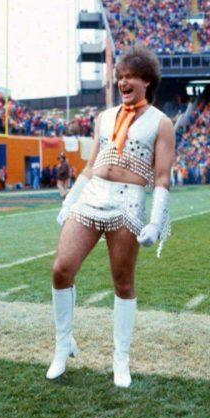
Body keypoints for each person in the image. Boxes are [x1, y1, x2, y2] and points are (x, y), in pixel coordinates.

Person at [48, 45, 175, 388]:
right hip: (92, 196)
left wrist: (155, 222)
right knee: (62, 269)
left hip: (127, 203)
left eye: (130, 76)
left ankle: (121, 359)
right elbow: (91, 165)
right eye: (119, 77)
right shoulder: (104, 117)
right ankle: (63, 346)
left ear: (146, 81)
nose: (123, 82)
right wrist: (70, 200)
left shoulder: (161, 123)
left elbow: (162, 177)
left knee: (123, 283)